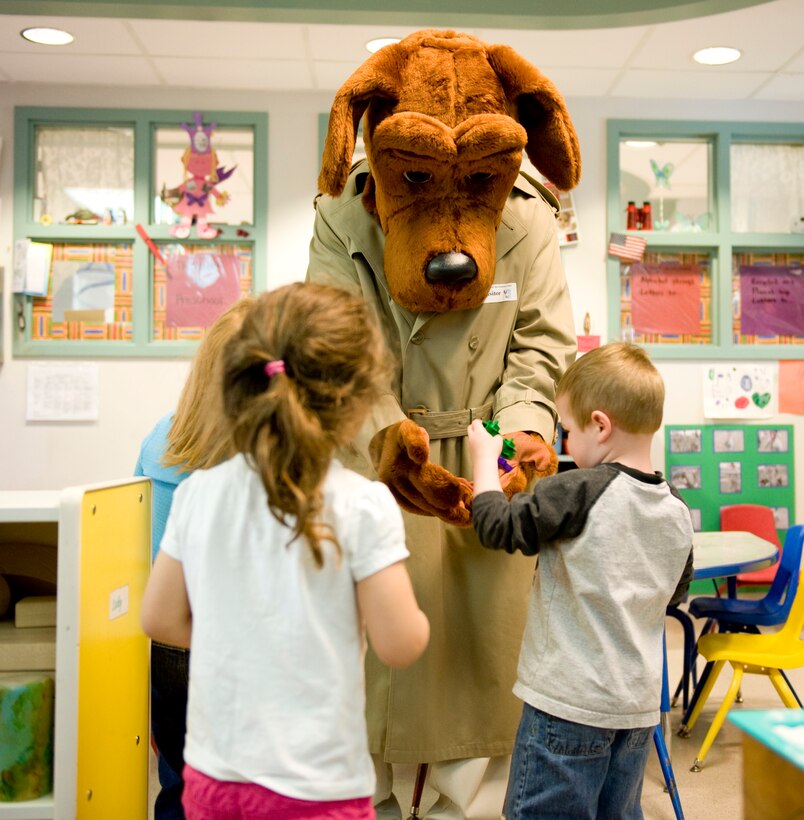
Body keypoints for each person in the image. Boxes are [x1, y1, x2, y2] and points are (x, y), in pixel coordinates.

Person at [140, 282, 430, 820]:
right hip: (318, 789)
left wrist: (241, 636)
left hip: (214, 780)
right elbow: (400, 643)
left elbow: (158, 617)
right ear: (358, 404)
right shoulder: (363, 505)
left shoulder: (199, 491)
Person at [466, 342, 694, 820]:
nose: (565, 443)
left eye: (566, 431)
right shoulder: (676, 511)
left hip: (566, 706)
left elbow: (497, 527)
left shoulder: (575, 489)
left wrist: (484, 461)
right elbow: (674, 593)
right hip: (635, 712)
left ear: (600, 425)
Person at [135, 297, 254, 820]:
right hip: (237, 646)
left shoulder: (160, 438)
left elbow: (138, 542)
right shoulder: (258, 452)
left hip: (167, 646)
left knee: (180, 784)